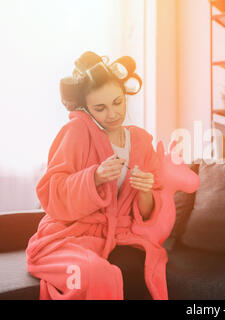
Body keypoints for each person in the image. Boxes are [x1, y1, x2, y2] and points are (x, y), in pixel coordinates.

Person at [26, 51, 199, 300]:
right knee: (98, 273)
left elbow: (148, 214)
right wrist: (93, 177)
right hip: (71, 235)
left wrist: (145, 189)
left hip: (121, 236)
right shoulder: (75, 132)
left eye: (118, 102)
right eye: (100, 108)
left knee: (138, 268)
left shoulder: (140, 141)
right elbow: (51, 193)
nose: (113, 113)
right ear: (86, 107)